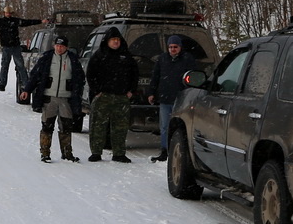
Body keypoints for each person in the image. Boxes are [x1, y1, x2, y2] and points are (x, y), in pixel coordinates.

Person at [21, 35, 86, 162]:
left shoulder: (73, 59)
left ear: (66, 47)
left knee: (66, 127)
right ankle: (45, 153)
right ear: (54, 45)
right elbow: (35, 75)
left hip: (66, 99)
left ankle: (67, 153)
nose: (59, 48)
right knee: (47, 126)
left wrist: (77, 91)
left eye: (62, 46)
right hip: (49, 98)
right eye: (57, 45)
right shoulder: (47, 58)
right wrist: (27, 90)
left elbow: (80, 78)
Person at [0, 2, 49, 92]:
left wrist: (41, 21)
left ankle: (26, 84)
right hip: (6, 48)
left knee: (20, 66)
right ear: (4, 13)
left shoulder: (15, 21)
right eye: (7, 13)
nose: (8, 14)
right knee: (5, 66)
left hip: (15, 47)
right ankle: (2, 85)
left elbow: (27, 22)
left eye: (10, 13)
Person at [84, 27, 137, 162]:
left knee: (120, 127)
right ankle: (96, 152)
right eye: (113, 40)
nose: (115, 42)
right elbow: (90, 74)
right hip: (103, 97)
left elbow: (134, 75)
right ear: (107, 41)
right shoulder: (99, 55)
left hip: (121, 97)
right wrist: (97, 91)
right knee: (98, 126)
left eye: (117, 40)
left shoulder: (126, 56)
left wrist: (131, 91)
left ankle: (119, 153)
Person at [148, 33, 202, 162]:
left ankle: (180, 151)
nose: (173, 49)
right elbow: (155, 77)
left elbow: (194, 78)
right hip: (165, 98)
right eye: (170, 47)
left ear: (180, 47)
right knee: (165, 127)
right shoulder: (162, 59)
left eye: (175, 47)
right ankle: (164, 150)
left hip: (182, 100)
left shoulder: (187, 59)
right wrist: (151, 93)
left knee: (181, 127)